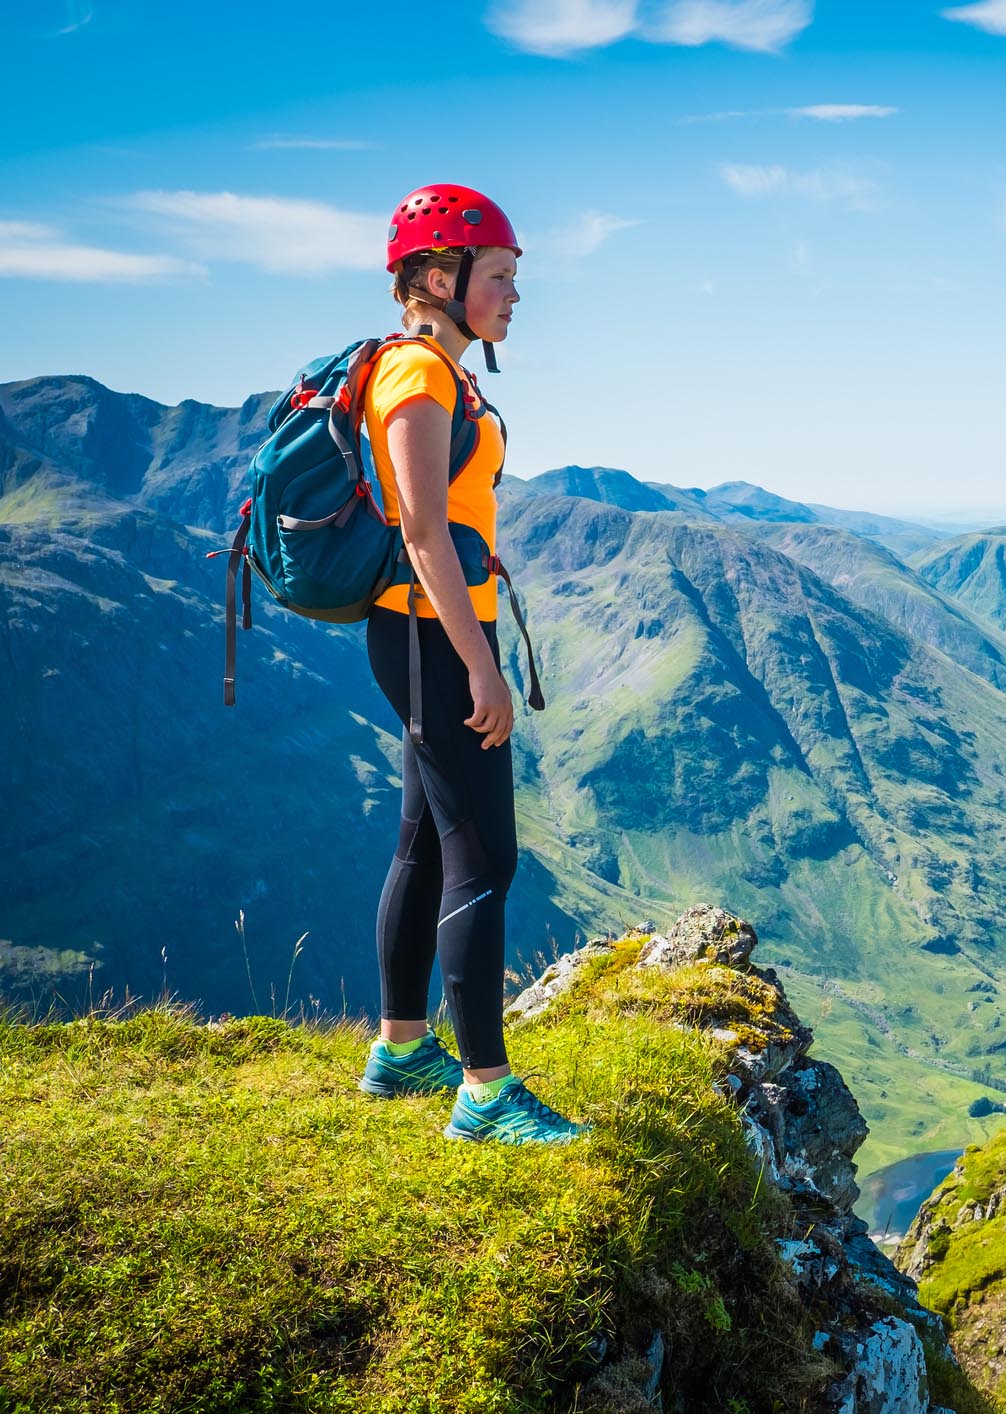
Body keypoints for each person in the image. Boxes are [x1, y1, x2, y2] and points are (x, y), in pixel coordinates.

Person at [353, 182, 585, 1145]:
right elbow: (419, 531)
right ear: (439, 278)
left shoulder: (440, 371)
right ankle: (486, 1095)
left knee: (422, 842)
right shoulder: (416, 378)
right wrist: (478, 666)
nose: (514, 296)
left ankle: (402, 1050)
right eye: (500, 276)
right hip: (433, 635)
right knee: (484, 855)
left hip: (432, 633)